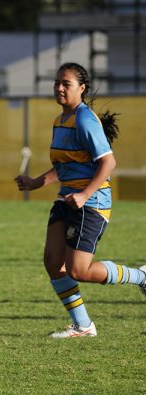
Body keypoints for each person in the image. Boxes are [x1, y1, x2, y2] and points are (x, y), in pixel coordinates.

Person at [15, 62, 146, 338]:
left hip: (92, 203)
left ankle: (141, 277)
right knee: (53, 261)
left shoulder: (85, 119)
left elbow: (108, 163)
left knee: (79, 270)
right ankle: (83, 325)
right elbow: (65, 165)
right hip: (67, 200)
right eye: (57, 83)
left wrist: (85, 194)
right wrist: (35, 182)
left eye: (67, 84)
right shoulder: (59, 120)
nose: (60, 88)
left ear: (81, 88)